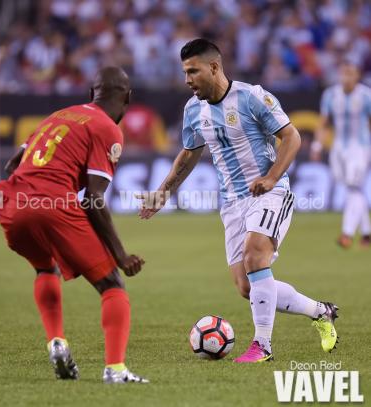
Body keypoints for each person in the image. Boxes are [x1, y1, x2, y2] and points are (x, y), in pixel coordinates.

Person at [137, 39, 338, 363]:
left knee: (255, 256)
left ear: (214, 67)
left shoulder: (252, 97)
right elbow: (189, 153)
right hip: (232, 204)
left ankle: (262, 347)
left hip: (270, 192)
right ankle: (321, 311)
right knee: (248, 286)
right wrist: (163, 192)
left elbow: (292, 137)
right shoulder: (193, 109)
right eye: (184, 72)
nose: (187, 80)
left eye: (193, 71)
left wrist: (271, 177)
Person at [0, 67, 148, 383]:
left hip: (12, 203)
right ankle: (116, 370)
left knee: (44, 268)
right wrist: (119, 253)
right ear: (128, 97)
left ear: (92, 93)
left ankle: (56, 342)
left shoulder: (59, 115)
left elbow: (13, 163)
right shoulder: (107, 128)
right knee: (111, 285)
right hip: (52, 206)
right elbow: (93, 197)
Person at [313, 60, 371, 249]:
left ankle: (346, 233)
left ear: (357, 76)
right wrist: (317, 145)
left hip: (360, 147)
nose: (346, 77)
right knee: (353, 189)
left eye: (350, 73)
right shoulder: (330, 95)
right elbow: (323, 122)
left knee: (354, 187)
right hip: (338, 148)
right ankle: (366, 234)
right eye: (343, 73)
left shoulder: (366, 95)